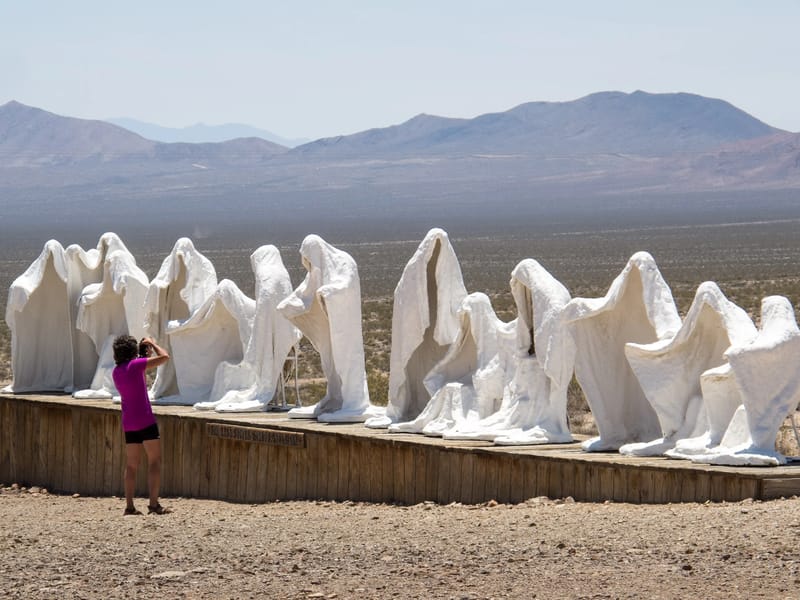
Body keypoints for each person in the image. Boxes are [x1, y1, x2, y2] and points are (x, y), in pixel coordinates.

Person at [112, 335, 171, 516]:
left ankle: (129, 506)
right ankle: (153, 504)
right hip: (145, 419)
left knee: (131, 465)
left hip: (129, 423)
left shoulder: (116, 372)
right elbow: (165, 357)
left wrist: (142, 354)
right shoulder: (136, 366)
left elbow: (134, 370)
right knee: (154, 461)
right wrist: (152, 343)